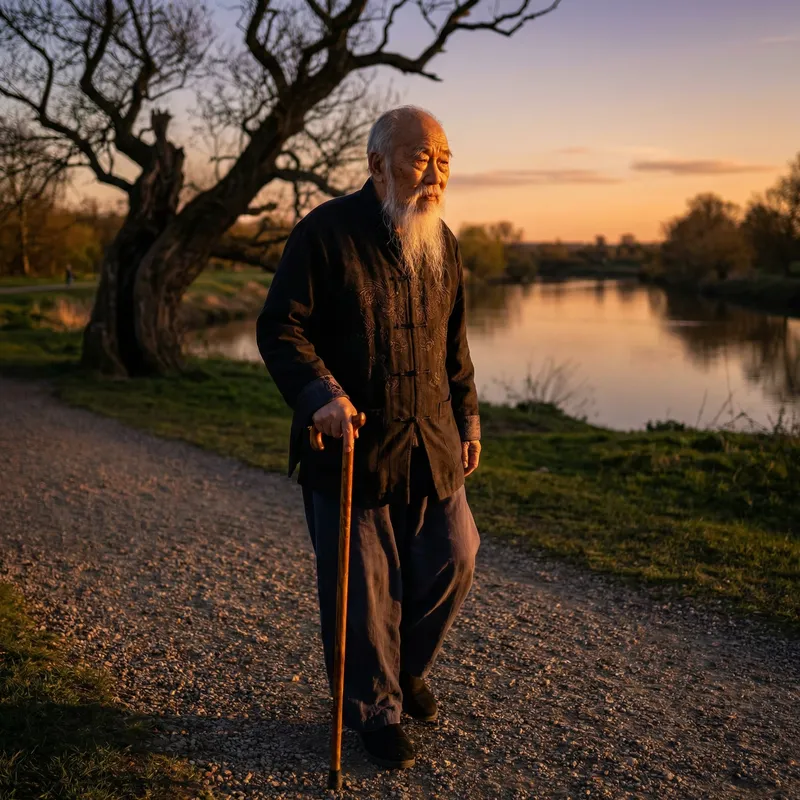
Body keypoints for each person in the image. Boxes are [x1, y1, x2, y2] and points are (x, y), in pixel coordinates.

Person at [256, 105, 482, 770]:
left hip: (433, 439)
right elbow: (280, 328)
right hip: (351, 447)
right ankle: (375, 714)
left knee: (456, 556)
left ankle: (406, 669)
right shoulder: (324, 234)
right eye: (421, 159)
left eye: (445, 161)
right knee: (362, 588)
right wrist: (319, 394)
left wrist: (468, 417)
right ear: (377, 163)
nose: (436, 173)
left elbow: (456, 346)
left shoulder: (444, 242)